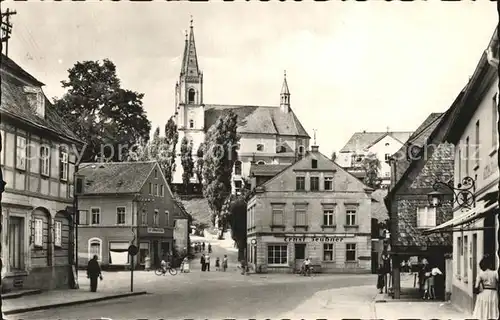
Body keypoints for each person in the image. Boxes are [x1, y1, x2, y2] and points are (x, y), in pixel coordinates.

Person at [473, 255, 499, 320]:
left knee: (483, 312)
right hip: (493, 293)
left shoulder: (480, 274)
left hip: (483, 294)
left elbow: (476, 287)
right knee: (493, 311)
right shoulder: (495, 273)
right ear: (490, 264)